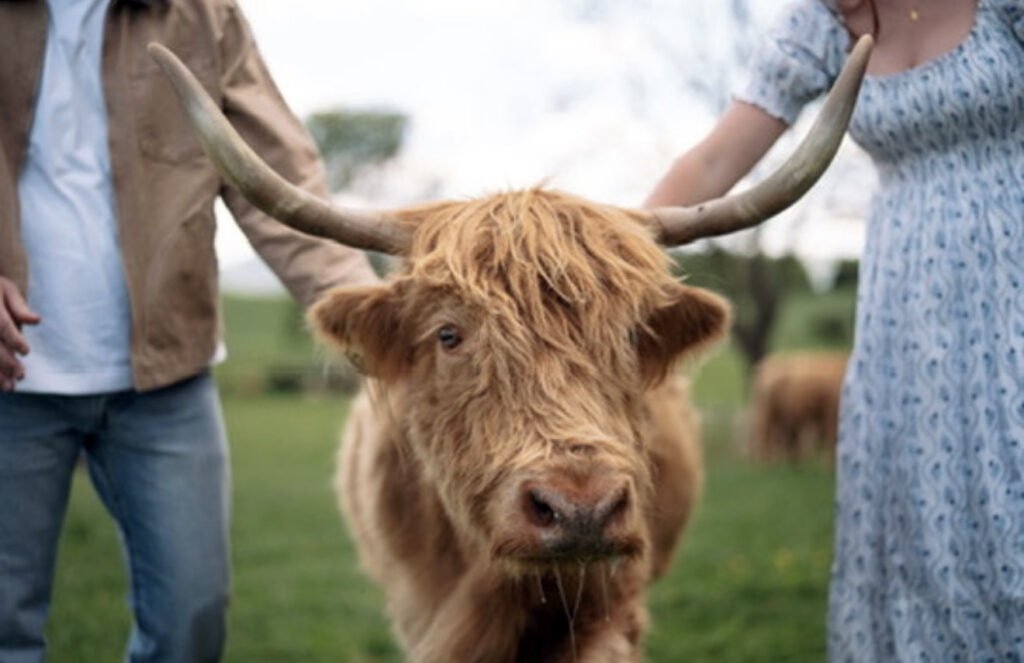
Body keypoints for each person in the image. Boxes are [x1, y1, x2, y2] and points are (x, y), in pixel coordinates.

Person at [646, 0, 1024, 659]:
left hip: (1011, 281)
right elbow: (712, 163)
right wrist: (593, 254)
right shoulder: (823, 19)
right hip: (904, 312)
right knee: (920, 511)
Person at [0, 0, 377, 660]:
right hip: (11, 381)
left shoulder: (203, 16)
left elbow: (284, 186)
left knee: (192, 620)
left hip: (166, 380)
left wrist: (380, 320)